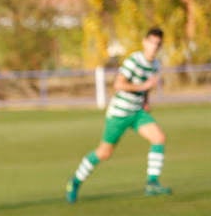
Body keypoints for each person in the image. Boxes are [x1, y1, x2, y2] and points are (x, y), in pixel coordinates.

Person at [66, 27, 172, 202]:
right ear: (145, 42)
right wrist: (143, 88)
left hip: (137, 112)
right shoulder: (133, 61)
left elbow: (147, 86)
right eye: (151, 42)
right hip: (119, 113)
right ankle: (75, 181)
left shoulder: (155, 65)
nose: (154, 47)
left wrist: (146, 101)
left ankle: (152, 184)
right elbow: (119, 85)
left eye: (158, 44)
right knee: (104, 152)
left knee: (159, 138)